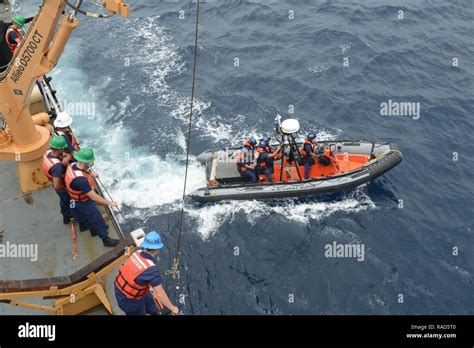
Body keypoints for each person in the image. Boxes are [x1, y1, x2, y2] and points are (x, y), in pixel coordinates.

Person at [114, 231, 179, 316]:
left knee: (149, 300)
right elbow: (160, 294)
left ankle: (153, 311)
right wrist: (172, 308)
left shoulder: (136, 253)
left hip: (121, 288)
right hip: (128, 300)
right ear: (157, 249)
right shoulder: (151, 270)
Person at [65, 147, 120, 247]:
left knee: (81, 215)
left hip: (73, 199)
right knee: (97, 219)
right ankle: (105, 239)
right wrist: (109, 203)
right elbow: (94, 197)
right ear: (86, 162)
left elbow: (82, 170)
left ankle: (91, 229)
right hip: (83, 202)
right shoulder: (81, 180)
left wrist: (90, 173)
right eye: (90, 161)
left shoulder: (73, 165)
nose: (91, 163)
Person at [42, 136, 73, 224]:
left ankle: (66, 217)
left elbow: (63, 155)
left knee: (64, 201)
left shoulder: (48, 152)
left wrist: (68, 156)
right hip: (60, 186)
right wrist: (66, 190)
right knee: (66, 200)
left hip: (54, 179)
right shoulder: (57, 167)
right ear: (60, 149)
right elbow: (57, 186)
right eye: (63, 148)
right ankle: (68, 216)